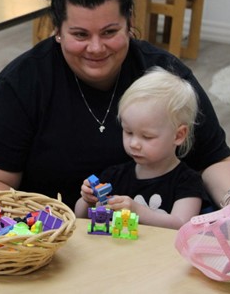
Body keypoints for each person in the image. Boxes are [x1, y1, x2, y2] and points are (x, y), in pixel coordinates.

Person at [0, 0, 230, 212]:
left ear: (129, 22)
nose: (96, 48)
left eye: (110, 32)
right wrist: (49, 224)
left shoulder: (164, 74)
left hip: (160, 235)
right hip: (56, 233)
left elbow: (214, 159)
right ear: (57, 30)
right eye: (80, 34)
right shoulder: (22, 83)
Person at [74, 67, 204, 229]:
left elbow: (182, 225)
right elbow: (80, 218)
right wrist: (87, 201)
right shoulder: (114, 176)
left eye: (147, 136)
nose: (134, 143)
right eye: (128, 132)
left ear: (178, 135)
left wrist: (137, 211)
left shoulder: (187, 181)